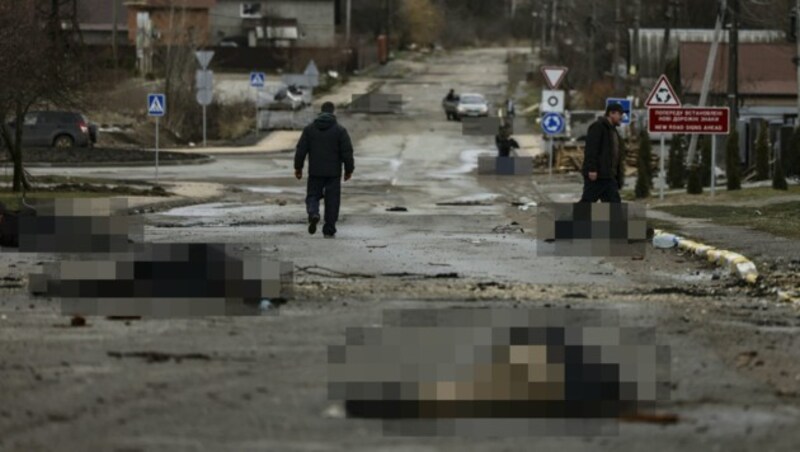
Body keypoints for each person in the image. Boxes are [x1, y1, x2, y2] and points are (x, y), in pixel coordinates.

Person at [294, 102, 355, 238]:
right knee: (332, 200)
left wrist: (298, 168)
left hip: (315, 172)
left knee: (313, 195)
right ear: (333, 113)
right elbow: (347, 153)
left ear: (320, 112)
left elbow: (301, 151)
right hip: (333, 173)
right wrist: (349, 170)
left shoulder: (309, 130)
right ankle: (329, 228)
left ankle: (314, 213)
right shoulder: (340, 131)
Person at [580, 103, 626, 203]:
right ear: (611, 113)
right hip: (598, 176)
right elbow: (591, 149)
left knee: (614, 206)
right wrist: (592, 169)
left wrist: (618, 175)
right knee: (586, 204)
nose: (621, 117)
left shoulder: (613, 130)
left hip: (609, 176)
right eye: (619, 114)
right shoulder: (598, 127)